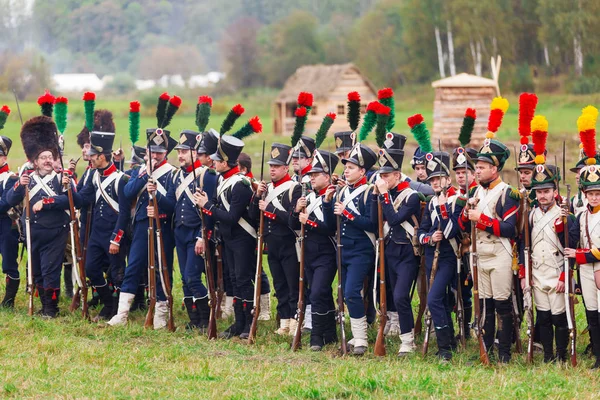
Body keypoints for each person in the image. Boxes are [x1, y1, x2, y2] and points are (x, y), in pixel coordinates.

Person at [7, 116, 81, 317]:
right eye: (43, 157)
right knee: (37, 271)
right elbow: (9, 198)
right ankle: (43, 307)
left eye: (50, 156)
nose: (48, 160)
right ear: (35, 161)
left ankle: (51, 309)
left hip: (55, 232)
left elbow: (74, 201)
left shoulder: (62, 177)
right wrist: (19, 185)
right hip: (33, 232)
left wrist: (52, 199)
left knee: (50, 271)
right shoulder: (27, 178)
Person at [459, 136, 520, 363]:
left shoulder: (508, 193)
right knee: (484, 305)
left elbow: (508, 229)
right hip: (479, 254)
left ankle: (504, 353)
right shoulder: (475, 193)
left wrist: (481, 219)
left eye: (482, 167)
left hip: (500, 253)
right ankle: (487, 350)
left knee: (502, 305)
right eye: (477, 167)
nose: (477, 171)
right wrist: (466, 214)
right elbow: (462, 225)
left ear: (495, 168)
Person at [195, 135, 256, 339]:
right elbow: (214, 205)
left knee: (243, 280)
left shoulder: (240, 185)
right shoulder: (223, 180)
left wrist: (208, 206)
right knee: (233, 280)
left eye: (217, 160)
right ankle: (239, 323)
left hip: (242, 238)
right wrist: (205, 203)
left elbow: (231, 217)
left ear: (225, 162)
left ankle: (248, 323)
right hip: (228, 238)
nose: (213, 162)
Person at [157, 130, 217, 331]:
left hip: (196, 233)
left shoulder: (207, 175)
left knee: (192, 276)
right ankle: (194, 320)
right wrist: (154, 194)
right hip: (180, 232)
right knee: (184, 278)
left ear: (195, 152)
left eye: (185, 151)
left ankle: (206, 318)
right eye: (179, 151)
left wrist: (202, 236)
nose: (180, 155)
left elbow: (210, 209)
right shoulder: (176, 175)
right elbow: (172, 205)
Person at [323, 143, 377, 355]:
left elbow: (372, 224)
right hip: (343, 249)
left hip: (361, 250)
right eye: (346, 166)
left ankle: (361, 339)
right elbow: (330, 225)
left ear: (362, 171)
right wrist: (328, 202)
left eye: (352, 167)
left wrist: (348, 213)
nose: (346, 169)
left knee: (352, 292)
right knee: (346, 293)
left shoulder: (369, 192)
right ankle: (356, 337)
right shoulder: (342, 191)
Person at [372, 138, 421, 356]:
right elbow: (376, 221)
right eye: (381, 175)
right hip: (389, 251)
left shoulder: (410, 196)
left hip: (406, 252)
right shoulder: (384, 195)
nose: (383, 179)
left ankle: (408, 340)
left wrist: (383, 195)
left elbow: (393, 219)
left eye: (386, 175)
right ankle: (394, 330)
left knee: (402, 296)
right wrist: (378, 196)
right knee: (390, 295)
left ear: (397, 175)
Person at [78, 129, 131, 322]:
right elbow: (83, 198)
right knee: (91, 269)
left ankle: (118, 309)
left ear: (101, 156)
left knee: (117, 275)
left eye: (93, 155)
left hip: (113, 235)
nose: (90, 158)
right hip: (96, 234)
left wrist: (116, 239)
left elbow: (124, 213)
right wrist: (68, 189)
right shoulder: (93, 176)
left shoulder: (120, 179)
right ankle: (109, 304)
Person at [251, 143, 302, 336]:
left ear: (286, 168)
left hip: (288, 243)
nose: (272, 169)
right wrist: (257, 196)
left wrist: (270, 209)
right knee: (279, 284)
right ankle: (284, 321)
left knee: (292, 285)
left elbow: (292, 219)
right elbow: (254, 215)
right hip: (272, 244)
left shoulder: (294, 188)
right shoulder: (267, 189)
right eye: (271, 166)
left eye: (277, 166)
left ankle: (295, 321)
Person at [291, 149, 340, 350]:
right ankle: (329, 334)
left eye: (315, 175)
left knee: (318, 292)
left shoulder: (332, 197)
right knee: (321, 293)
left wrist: (309, 221)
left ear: (326, 177)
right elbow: (291, 223)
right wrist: (296, 211)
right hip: (308, 252)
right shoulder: (308, 197)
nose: (311, 178)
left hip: (326, 252)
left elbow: (330, 227)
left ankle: (316, 337)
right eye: (310, 175)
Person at [0, 131, 20, 307]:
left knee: (8, 263)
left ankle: (8, 301)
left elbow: (5, 203)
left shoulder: (10, 178)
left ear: (4, 157)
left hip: (6, 225)